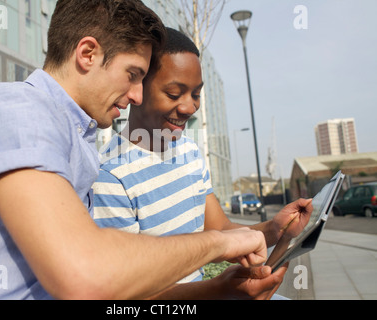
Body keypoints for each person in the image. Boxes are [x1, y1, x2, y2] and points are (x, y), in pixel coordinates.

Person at [0, 0, 268, 300]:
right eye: (133, 74)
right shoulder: (16, 111)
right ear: (87, 54)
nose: (137, 94)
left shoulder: (77, 137)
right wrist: (219, 244)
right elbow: (83, 275)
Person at [92, 27, 314, 299]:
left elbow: (219, 229)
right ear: (137, 88)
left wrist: (274, 230)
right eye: (174, 94)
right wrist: (219, 291)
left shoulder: (188, 150)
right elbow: (124, 296)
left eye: (196, 94)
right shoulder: (111, 177)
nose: (189, 107)